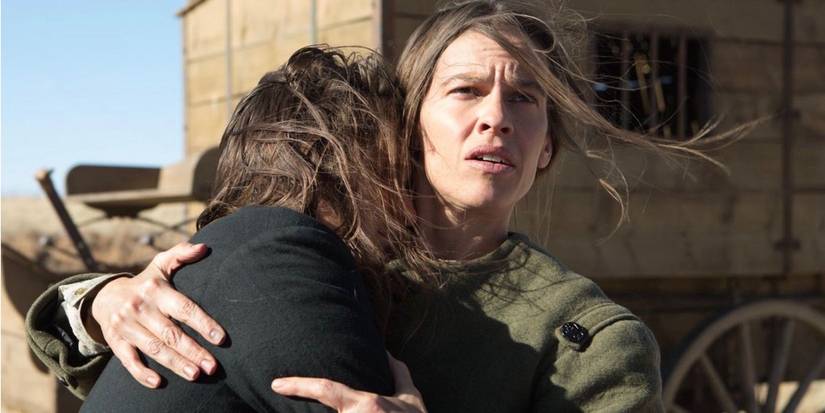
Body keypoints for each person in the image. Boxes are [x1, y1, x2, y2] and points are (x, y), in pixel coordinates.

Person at [29, 1, 744, 411]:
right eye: (464, 91)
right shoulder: (317, 253)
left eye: (524, 99)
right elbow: (149, 377)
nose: (496, 118)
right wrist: (101, 302)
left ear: (547, 147)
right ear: (412, 123)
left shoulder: (587, 338)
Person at [32, 46, 429, 412]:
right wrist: (96, 300)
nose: (409, 204)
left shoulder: (239, 252)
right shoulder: (281, 257)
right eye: (394, 174)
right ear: (336, 168)